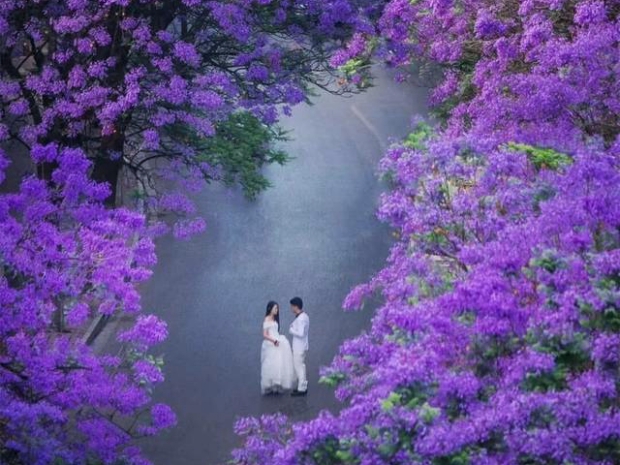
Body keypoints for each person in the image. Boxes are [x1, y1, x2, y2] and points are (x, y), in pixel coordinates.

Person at [261, 301, 296, 395]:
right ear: (270, 309)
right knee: (270, 364)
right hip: (271, 343)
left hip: (277, 341)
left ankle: (277, 384)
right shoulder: (267, 319)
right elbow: (265, 334)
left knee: (278, 363)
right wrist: (274, 341)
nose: (277, 310)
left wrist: (278, 340)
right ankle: (269, 384)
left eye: (277, 308)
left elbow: (275, 331)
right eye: (275, 308)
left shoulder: (275, 319)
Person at [288, 297, 309, 396]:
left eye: (292, 306)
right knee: (301, 366)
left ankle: (302, 389)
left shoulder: (301, 319)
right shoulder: (304, 316)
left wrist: (291, 330)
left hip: (299, 347)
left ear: (296, 306)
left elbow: (300, 333)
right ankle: (302, 386)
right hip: (302, 346)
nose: (291, 308)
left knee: (299, 367)